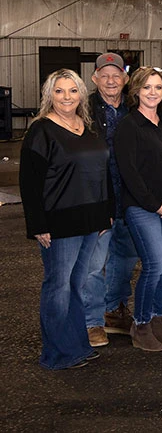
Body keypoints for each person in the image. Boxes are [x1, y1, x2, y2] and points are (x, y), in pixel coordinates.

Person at [20, 69, 112, 369]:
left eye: (72, 91)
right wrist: (38, 225)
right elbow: (29, 183)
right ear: (49, 96)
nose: (66, 97)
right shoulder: (41, 130)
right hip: (59, 223)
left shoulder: (87, 127)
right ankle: (57, 354)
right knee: (58, 286)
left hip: (89, 221)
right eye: (59, 91)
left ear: (81, 95)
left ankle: (77, 346)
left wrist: (104, 215)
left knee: (76, 285)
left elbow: (101, 174)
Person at [114, 67, 162, 352]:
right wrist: (155, 205)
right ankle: (140, 325)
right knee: (153, 266)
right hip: (142, 207)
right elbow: (128, 173)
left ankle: (155, 320)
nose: (152, 92)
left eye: (157, 87)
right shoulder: (128, 126)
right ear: (136, 92)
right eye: (147, 87)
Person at [84, 53, 137, 346]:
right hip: (98, 198)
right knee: (94, 263)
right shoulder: (84, 109)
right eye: (104, 75)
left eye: (116, 74)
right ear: (94, 79)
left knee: (124, 259)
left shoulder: (134, 108)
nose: (111, 80)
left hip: (128, 199)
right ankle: (93, 321)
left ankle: (113, 310)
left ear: (125, 79)